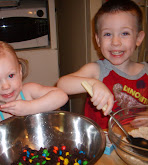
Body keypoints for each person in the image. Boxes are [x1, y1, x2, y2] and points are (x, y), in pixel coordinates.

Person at [57, 0, 148, 129]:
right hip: (104, 143)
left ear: (138, 38)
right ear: (98, 40)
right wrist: (93, 83)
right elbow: (62, 84)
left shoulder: (146, 73)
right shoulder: (96, 70)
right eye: (108, 34)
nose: (115, 42)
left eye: (125, 33)